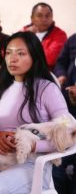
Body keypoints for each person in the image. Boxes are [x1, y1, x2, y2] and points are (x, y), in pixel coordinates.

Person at [0, 31, 71, 194]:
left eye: (21, 53)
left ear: (34, 56)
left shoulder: (47, 89)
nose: (12, 59)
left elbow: (70, 133)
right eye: (8, 53)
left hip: (33, 163)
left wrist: (33, 145)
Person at [52, 33, 76, 194]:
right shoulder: (73, 39)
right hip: (69, 102)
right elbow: (61, 61)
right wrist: (61, 76)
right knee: (57, 162)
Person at [23, 2, 67, 71]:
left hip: (46, 73)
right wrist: (26, 35)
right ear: (32, 18)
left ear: (52, 17)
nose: (44, 19)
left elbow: (50, 59)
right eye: (40, 15)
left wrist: (23, 55)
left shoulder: (60, 34)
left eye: (47, 16)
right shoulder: (24, 31)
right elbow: (7, 52)